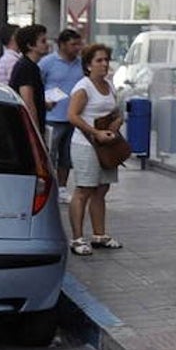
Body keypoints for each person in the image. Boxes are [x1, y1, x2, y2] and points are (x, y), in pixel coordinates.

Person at [65, 43, 125, 257]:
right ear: (88, 65)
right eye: (99, 60)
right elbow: (72, 115)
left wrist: (115, 125)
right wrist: (94, 132)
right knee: (84, 190)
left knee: (102, 189)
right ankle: (77, 238)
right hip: (85, 145)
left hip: (106, 146)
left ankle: (99, 234)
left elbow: (116, 111)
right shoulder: (84, 87)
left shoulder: (109, 86)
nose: (104, 64)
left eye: (106, 60)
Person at [38, 29, 85, 189]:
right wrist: (45, 100)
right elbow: (37, 85)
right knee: (50, 154)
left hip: (74, 117)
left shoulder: (81, 64)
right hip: (52, 117)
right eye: (73, 44)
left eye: (79, 44)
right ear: (62, 45)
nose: (77, 48)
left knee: (67, 156)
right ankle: (49, 187)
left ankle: (63, 187)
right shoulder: (47, 63)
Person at [7, 24, 49, 122]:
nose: (47, 44)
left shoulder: (28, 65)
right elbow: (28, 102)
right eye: (43, 41)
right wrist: (35, 131)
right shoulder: (27, 67)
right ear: (30, 45)